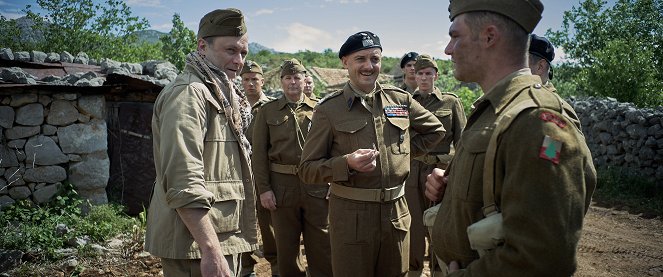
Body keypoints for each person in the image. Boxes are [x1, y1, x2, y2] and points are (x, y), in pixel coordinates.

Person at [425, 1, 597, 276]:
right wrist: (451, 189)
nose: (447, 49)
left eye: (455, 36)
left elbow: (543, 256)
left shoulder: (536, 120)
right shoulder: (495, 108)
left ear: (489, 37)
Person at [298, 31, 446, 277]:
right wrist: (346, 163)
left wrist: (399, 157)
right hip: (351, 217)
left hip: (396, 214)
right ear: (345, 62)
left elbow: (435, 131)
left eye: (375, 59)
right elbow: (308, 169)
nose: (369, 66)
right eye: (361, 59)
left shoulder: (399, 100)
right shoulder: (329, 109)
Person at [145, 8, 258, 277]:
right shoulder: (188, 94)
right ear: (202, 46)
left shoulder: (221, 92)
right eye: (230, 50)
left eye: (243, 53)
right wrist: (211, 250)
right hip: (197, 245)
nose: (239, 60)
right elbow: (184, 179)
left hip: (220, 236)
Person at [252, 58, 332, 277]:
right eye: (288, 78)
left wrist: (334, 182)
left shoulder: (321, 109)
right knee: (286, 247)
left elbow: (333, 148)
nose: (293, 82)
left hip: (316, 185)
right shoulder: (267, 112)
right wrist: (264, 189)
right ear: (281, 82)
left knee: (322, 244)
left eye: (297, 77)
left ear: (305, 79)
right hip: (282, 187)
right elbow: (258, 154)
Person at [405, 54, 467, 277]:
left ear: (436, 75)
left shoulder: (450, 102)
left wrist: (456, 174)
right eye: (419, 73)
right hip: (412, 172)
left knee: (439, 226)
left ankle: (439, 272)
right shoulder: (406, 102)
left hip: (440, 173)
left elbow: (462, 142)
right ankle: (414, 271)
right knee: (413, 227)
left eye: (428, 73)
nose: (423, 78)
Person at [238, 60, 279, 277]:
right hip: (240, 175)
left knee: (271, 226)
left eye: (255, 79)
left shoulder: (272, 107)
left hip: (266, 176)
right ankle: (246, 268)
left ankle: (277, 267)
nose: (251, 83)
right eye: (246, 79)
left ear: (262, 81)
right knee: (243, 223)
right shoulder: (233, 105)